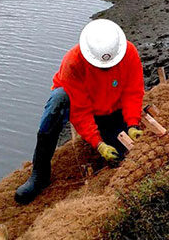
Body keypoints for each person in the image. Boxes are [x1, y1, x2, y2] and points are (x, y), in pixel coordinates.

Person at [15, 19, 145, 204]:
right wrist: (98, 143)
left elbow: (133, 91)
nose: (105, 70)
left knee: (121, 156)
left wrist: (132, 123)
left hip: (111, 109)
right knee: (58, 99)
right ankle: (39, 174)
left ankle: (111, 133)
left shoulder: (128, 53)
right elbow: (80, 110)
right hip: (82, 105)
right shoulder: (73, 62)